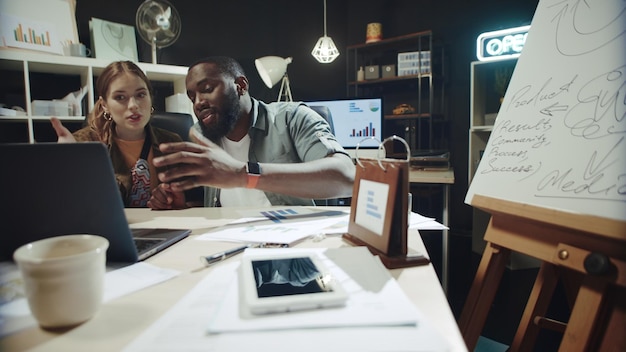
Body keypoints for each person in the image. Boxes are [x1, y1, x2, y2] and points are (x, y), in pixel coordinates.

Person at [148, 56, 355, 209]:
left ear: (240, 86)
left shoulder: (292, 118)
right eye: (192, 97)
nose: (199, 103)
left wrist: (243, 174)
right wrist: (181, 205)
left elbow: (347, 178)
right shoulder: (200, 135)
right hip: (227, 242)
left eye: (208, 88)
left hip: (293, 245)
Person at [51, 60, 186, 209]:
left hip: (165, 228)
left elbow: (193, 203)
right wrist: (65, 167)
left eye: (141, 95)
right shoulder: (84, 144)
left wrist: (175, 203)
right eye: (120, 97)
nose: (133, 105)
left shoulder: (172, 143)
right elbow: (66, 205)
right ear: (105, 105)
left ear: (150, 97)